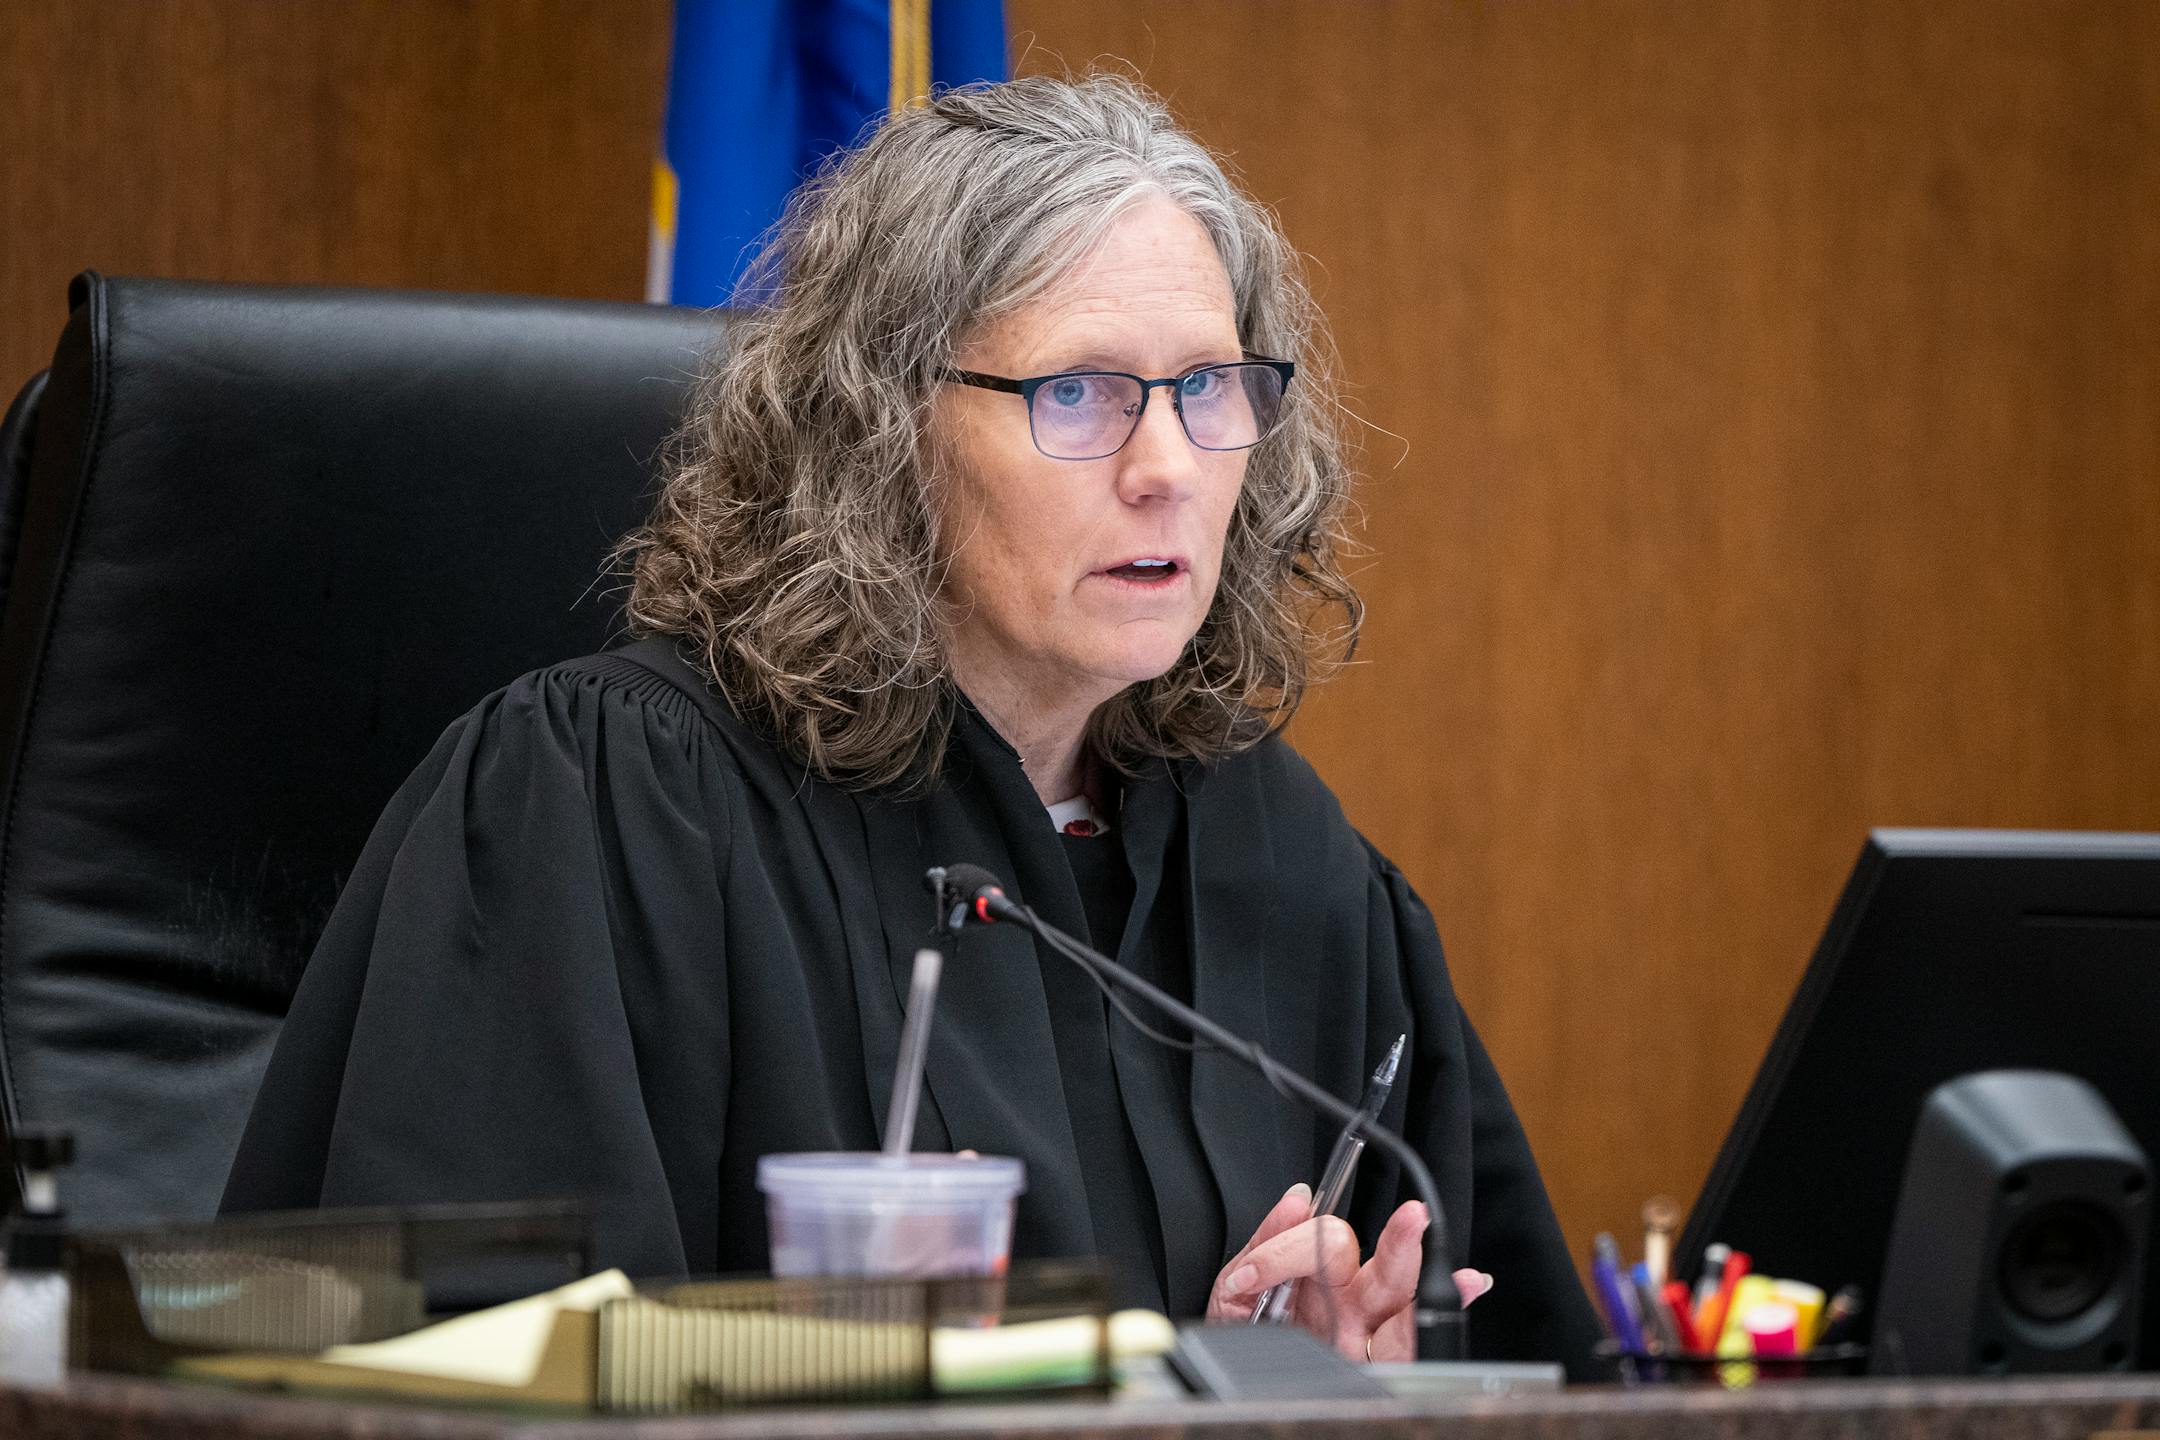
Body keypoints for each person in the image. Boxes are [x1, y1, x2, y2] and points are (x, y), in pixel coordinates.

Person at [222, 73, 1602, 1375]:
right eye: (1079, 393)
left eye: (1208, 388)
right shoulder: (607, 806)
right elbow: (443, 1370)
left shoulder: (1291, 865)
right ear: (883, 431)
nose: (1169, 467)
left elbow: (1530, 1362)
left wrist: (1276, 1386)